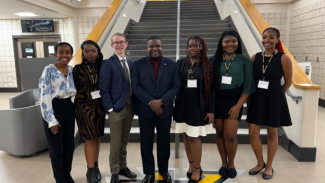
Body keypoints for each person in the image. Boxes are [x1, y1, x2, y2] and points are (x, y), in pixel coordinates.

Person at [131, 36, 179, 183]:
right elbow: (136, 86)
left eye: (157, 46)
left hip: (164, 110)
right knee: (146, 143)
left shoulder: (172, 64)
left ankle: (164, 171)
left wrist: (162, 102)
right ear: (147, 48)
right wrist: (152, 103)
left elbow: (175, 86)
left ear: (162, 47)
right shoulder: (138, 64)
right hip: (145, 110)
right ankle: (149, 172)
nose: (155, 49)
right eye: (151, 46)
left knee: (164, 143)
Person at [246, 27, 292, 180]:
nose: (267, 40)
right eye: (264, 37)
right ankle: (260, 163)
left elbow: (288, 82)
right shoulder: (255, 58)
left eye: (271, 37)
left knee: (272, 134)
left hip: (274, 101)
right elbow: (251, 80)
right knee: (253, 134)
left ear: (277, 40)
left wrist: (277, 96)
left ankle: (269, 165)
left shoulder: (283, 58)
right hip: (256, 99)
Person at [210, 31, 255, 178]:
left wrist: (238, 106)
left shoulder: (244, 61)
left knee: (230, 135)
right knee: (220, 133)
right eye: (226, 41)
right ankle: (224, 163)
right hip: (217, 101)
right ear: (221, 43)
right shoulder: (213, 60)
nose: (230, 44)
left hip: (235, 101)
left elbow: (248, 86)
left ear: (238, 43)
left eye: (234, 41)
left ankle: (232, 163)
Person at [173, 36, 214, 183]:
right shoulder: (180, 63)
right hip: (182, 105)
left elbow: (213, 90)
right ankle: (191, 165)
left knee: (193, 137)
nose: (192, 48)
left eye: (195, 46)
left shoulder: (207, 65)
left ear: (202, 47)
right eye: (189, 46)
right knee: (186, 135)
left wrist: (211, 110)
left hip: (198, 106)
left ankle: (197, 169)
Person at [99, 33, 137, 183]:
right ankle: (114, 170)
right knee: (115, 142)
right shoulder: (108, 64)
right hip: (115, 109)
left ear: (126, 44)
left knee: (124, 140)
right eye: (116, 43)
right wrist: (109, 108)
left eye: (121, 42)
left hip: (129, 107)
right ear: (112, 46)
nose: (119, 45)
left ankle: (123, 166)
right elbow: (104, 88)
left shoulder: (132, 64)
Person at [39, 42, 76, 183]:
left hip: (68, 108)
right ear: (56, 54)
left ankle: (67, 174)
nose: (64, 55)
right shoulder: (48, 70)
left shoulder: (72, 70)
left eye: (67, 52)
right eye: (61, 52)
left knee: (69, 146)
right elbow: (44, 96)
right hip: (53, 109)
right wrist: (51, 120)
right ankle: (59, 178)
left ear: (71, 54)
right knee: (56, 148)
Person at [73, 40, 105, 183]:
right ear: (83, 53)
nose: (90, 54)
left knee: (97, 137)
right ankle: (90, 171)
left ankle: (95, 166)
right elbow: (73, 88)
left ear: (98, 52)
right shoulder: (77, 69)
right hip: (84, 106)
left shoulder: (103, 67)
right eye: (87, 51)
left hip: (99, 106)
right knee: (89, 138)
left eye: (93, 51)